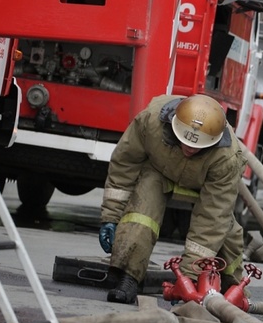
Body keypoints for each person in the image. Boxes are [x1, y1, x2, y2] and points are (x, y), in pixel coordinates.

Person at [98, 94, 247, 304]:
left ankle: (234, 287)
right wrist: (110, 217)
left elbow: (213, 216)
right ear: (174, 125)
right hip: (159, 172)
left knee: (225, 230)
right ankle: (127, 278)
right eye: (186, 141)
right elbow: (124, 165)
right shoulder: (150, 122)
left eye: (198, 146)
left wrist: (187, 276)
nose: (190, 149)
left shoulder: (227, 159)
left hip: (202, 184)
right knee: (141, 212)